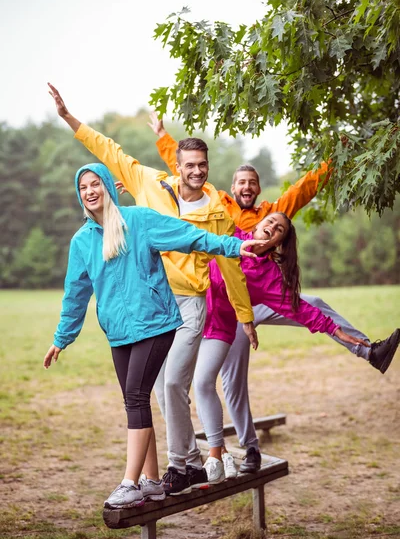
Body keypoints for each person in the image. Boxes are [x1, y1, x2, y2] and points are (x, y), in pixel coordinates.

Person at [150, 115, 400, 473]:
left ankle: (367, 349)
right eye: (241, 182)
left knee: (312, 305)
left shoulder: (273, 213)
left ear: (260, 188)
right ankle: (248, 448)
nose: (247, 187)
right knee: (230, 380)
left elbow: (304, 188)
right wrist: (162, 137)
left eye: (253, 182)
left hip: (263, 300)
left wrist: (332, 161)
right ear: (233, 186)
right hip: (229, 309)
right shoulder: (221, 207)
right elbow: (186, 171)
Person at [47, 83, 257, 496]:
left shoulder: (205, 210)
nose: (196, 171)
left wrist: (244, 308)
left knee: (168, 385)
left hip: (180, 306)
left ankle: (179, 467)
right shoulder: (144, 188)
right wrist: (69, 118)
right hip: (137, 314)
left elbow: (212, 251)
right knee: (151, 391)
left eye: (202, 164)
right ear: (176, 165)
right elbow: (107, 151)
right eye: (188, 164)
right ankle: (159, 474)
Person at [193, 212, 399, 482]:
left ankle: (369, 351)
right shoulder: (230, 225)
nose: (271, 227)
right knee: (214, 384)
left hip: (244, 311)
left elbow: (299, 307)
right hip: (210, 312)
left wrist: (339, 332)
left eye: (278, 228)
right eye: (269, 223)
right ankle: (234, 449)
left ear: (280, 241)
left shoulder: (268, 270)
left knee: (314, 302)